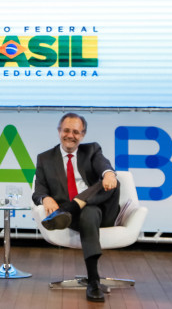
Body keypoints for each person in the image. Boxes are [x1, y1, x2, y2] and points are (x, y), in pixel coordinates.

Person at [32, 112, 120, 302]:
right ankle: (94, 281)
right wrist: (45, 198)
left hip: (101, 211)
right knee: (87, 212)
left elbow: (103, 164)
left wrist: (109, 174)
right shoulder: (45, 158)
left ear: (83, 134)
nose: (70, 135)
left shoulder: (92, 150)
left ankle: (73, 206)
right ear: (58, 131)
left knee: (113, 180)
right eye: (66, 130)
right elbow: (38, 191)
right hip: (75, 219)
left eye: (76, 132)